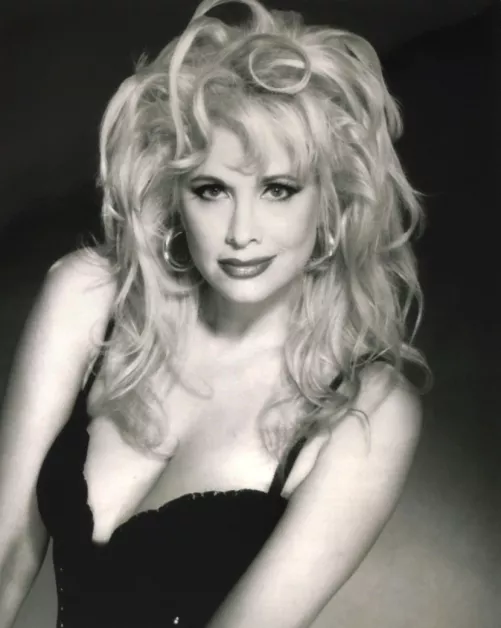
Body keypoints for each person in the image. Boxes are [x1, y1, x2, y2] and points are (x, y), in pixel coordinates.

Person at [0, 0, 433, 626]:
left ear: (331, 207)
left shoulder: (366, 413)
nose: (240, 232)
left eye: (278, 190)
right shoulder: (88, 298)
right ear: (175, 195)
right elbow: (8, 553)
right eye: (212, 190)